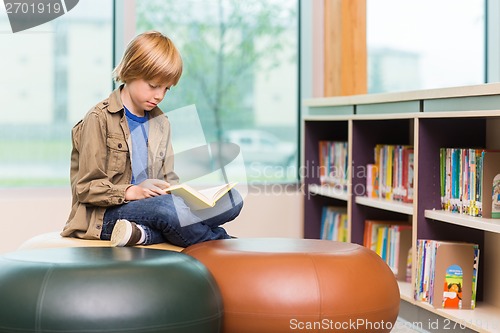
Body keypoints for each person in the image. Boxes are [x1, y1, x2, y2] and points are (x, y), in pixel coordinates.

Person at [61, 30, 243, 247]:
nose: (159, 95)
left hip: (155, 206)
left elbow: (170, 179)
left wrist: (182, 194)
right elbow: (86, 188)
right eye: (153, 85)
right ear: (130, 72)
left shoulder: (161, 122)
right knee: (167, 210)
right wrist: (132, 191)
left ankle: (143, 234)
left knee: (232, 200)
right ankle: (217, 240)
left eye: (166, 88)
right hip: (107, 215)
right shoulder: (98, 118)